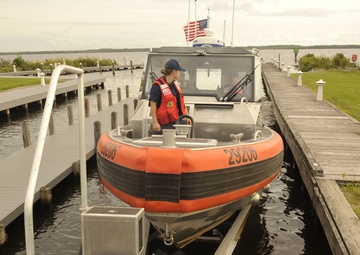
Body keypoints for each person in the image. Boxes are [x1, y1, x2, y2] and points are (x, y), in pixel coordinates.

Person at [149, 59, 189, 134]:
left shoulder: (175, 85)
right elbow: (153, 105)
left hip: (177, 122)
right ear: (174, 72)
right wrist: (155, 122)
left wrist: (186, 116)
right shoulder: (157, 86)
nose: (180, 73)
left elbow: (180, 103)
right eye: (179, 71)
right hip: (164, 125)